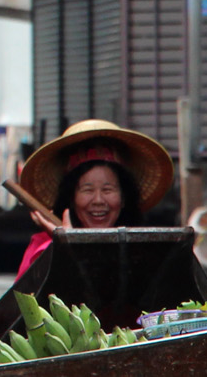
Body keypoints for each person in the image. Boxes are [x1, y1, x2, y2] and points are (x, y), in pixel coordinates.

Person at [11, 119, 176, 280]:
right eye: (87, 190)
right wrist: (65, 247)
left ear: (124, 198)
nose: (98, 200)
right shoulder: (43, 248)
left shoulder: (144, 251)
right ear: (71, 198)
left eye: (107, 189)